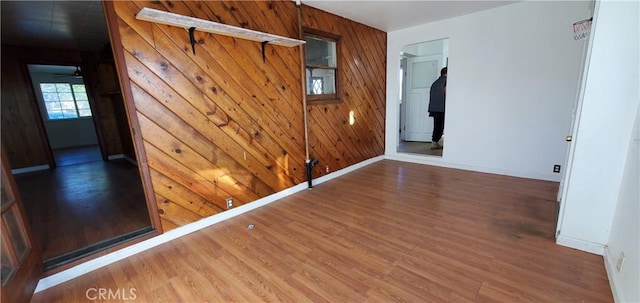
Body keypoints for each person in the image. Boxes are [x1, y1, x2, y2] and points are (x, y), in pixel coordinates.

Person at [428, 67, 447, 150]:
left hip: (434, 107)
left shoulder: (435, 82)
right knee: (441, 126)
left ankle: (434, 142)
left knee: (437, 126)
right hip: (442, 107)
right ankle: (437, 142)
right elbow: (446, 92)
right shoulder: (446, 81)